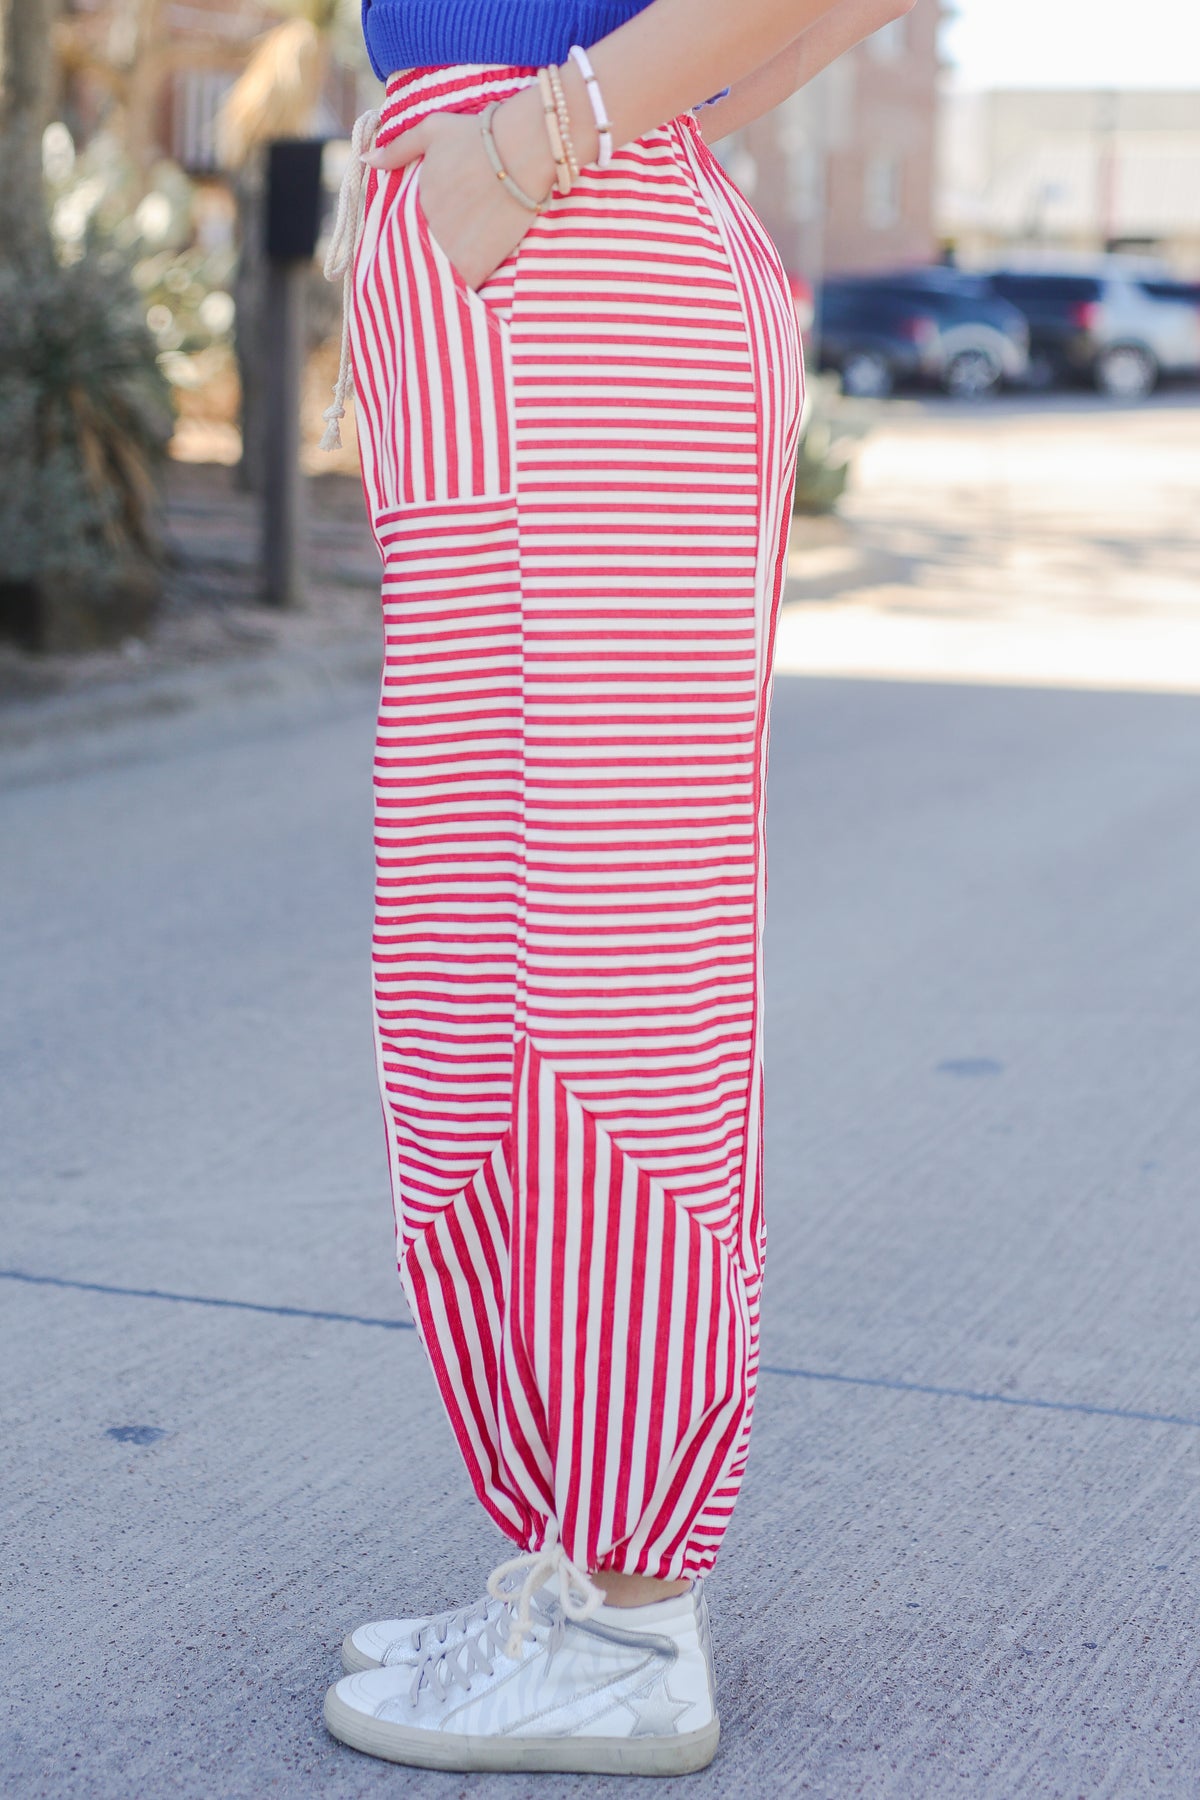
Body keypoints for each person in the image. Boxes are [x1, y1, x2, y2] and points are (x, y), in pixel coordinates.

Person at [319, 0, 912, 1774]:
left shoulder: (550, 159)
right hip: (519, 247)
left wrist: (550, 137)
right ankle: (572, 1556)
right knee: (471, 958)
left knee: (604, 953)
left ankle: (632, 1625)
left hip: (570, 246)